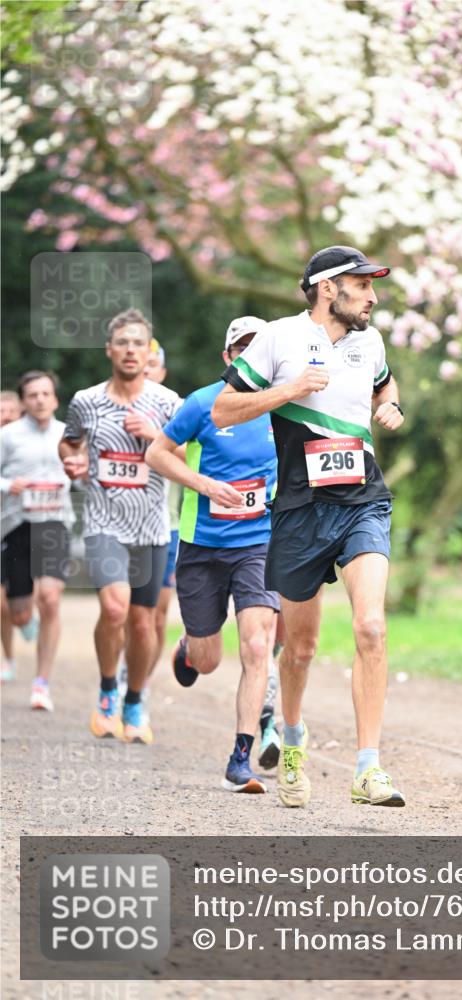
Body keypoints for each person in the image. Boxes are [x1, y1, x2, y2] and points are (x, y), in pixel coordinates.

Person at [212, 245, 406, 808]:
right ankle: (293, 740)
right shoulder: (278, 338)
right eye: (362, 285)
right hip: (300, 510)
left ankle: (368, 768)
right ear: (328, 288)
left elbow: (384, 384)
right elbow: (224, 409)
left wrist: (391, 406)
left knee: (371, 626)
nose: (372, 297)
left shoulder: (371, 342)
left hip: (363, 501)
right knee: (299, 649)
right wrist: (289, 391)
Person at [146, 316, 280, 792]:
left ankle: (240, 758)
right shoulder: (203, 403)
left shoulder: (283, 408)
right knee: (208, 661)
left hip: (259, 543)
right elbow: (157, 453)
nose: (250, 356)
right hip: (202, 544)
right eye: (242, 349)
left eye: (259, 348)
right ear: (228, 357)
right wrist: (203, 484)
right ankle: (190, 646)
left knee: (258, 646)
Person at [58, 308, 181, 744]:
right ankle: (108, 690)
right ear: (109, 349)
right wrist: (72, 462)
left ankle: (135, 700)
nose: (131, 350)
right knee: (114, 609)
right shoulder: (86, 401)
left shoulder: (168, 403)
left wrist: (154, 437)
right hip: (103, 521)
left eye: (139, 343)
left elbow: (189, 457)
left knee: (143, 622)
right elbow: (69, 442)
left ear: (148, 352)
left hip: (150, 526)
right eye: (123, 342)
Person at [0, 372, 74, 709]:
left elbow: (85, 472)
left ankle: (41, 683)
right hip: (16, 526)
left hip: (55, 523)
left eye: (46, 394)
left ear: (55, 399)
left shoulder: (68, 434)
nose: (40, 400)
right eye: (32, 395)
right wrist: (8, 485)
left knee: (50, 598)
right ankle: (24, 619)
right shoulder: (8, 436)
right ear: (23, 402)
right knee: (17, 613)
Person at [118, 337, 181, 707]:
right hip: (120, 526)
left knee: (155, 615)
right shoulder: (112, 404)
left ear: (162, 371)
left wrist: (155, 437)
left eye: (152, 364)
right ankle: (123, 673)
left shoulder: (177, 408)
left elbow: (196, 457)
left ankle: (138, 686)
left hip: (166, 526)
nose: (146, 371)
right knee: (123, 610)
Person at [1, 389, 23, 680]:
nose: (5, 417)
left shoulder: (28, 445)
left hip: (22, 528)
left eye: (10, 412)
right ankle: (8, 658)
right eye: (0, 411)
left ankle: (27, 617)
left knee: (21, 607)